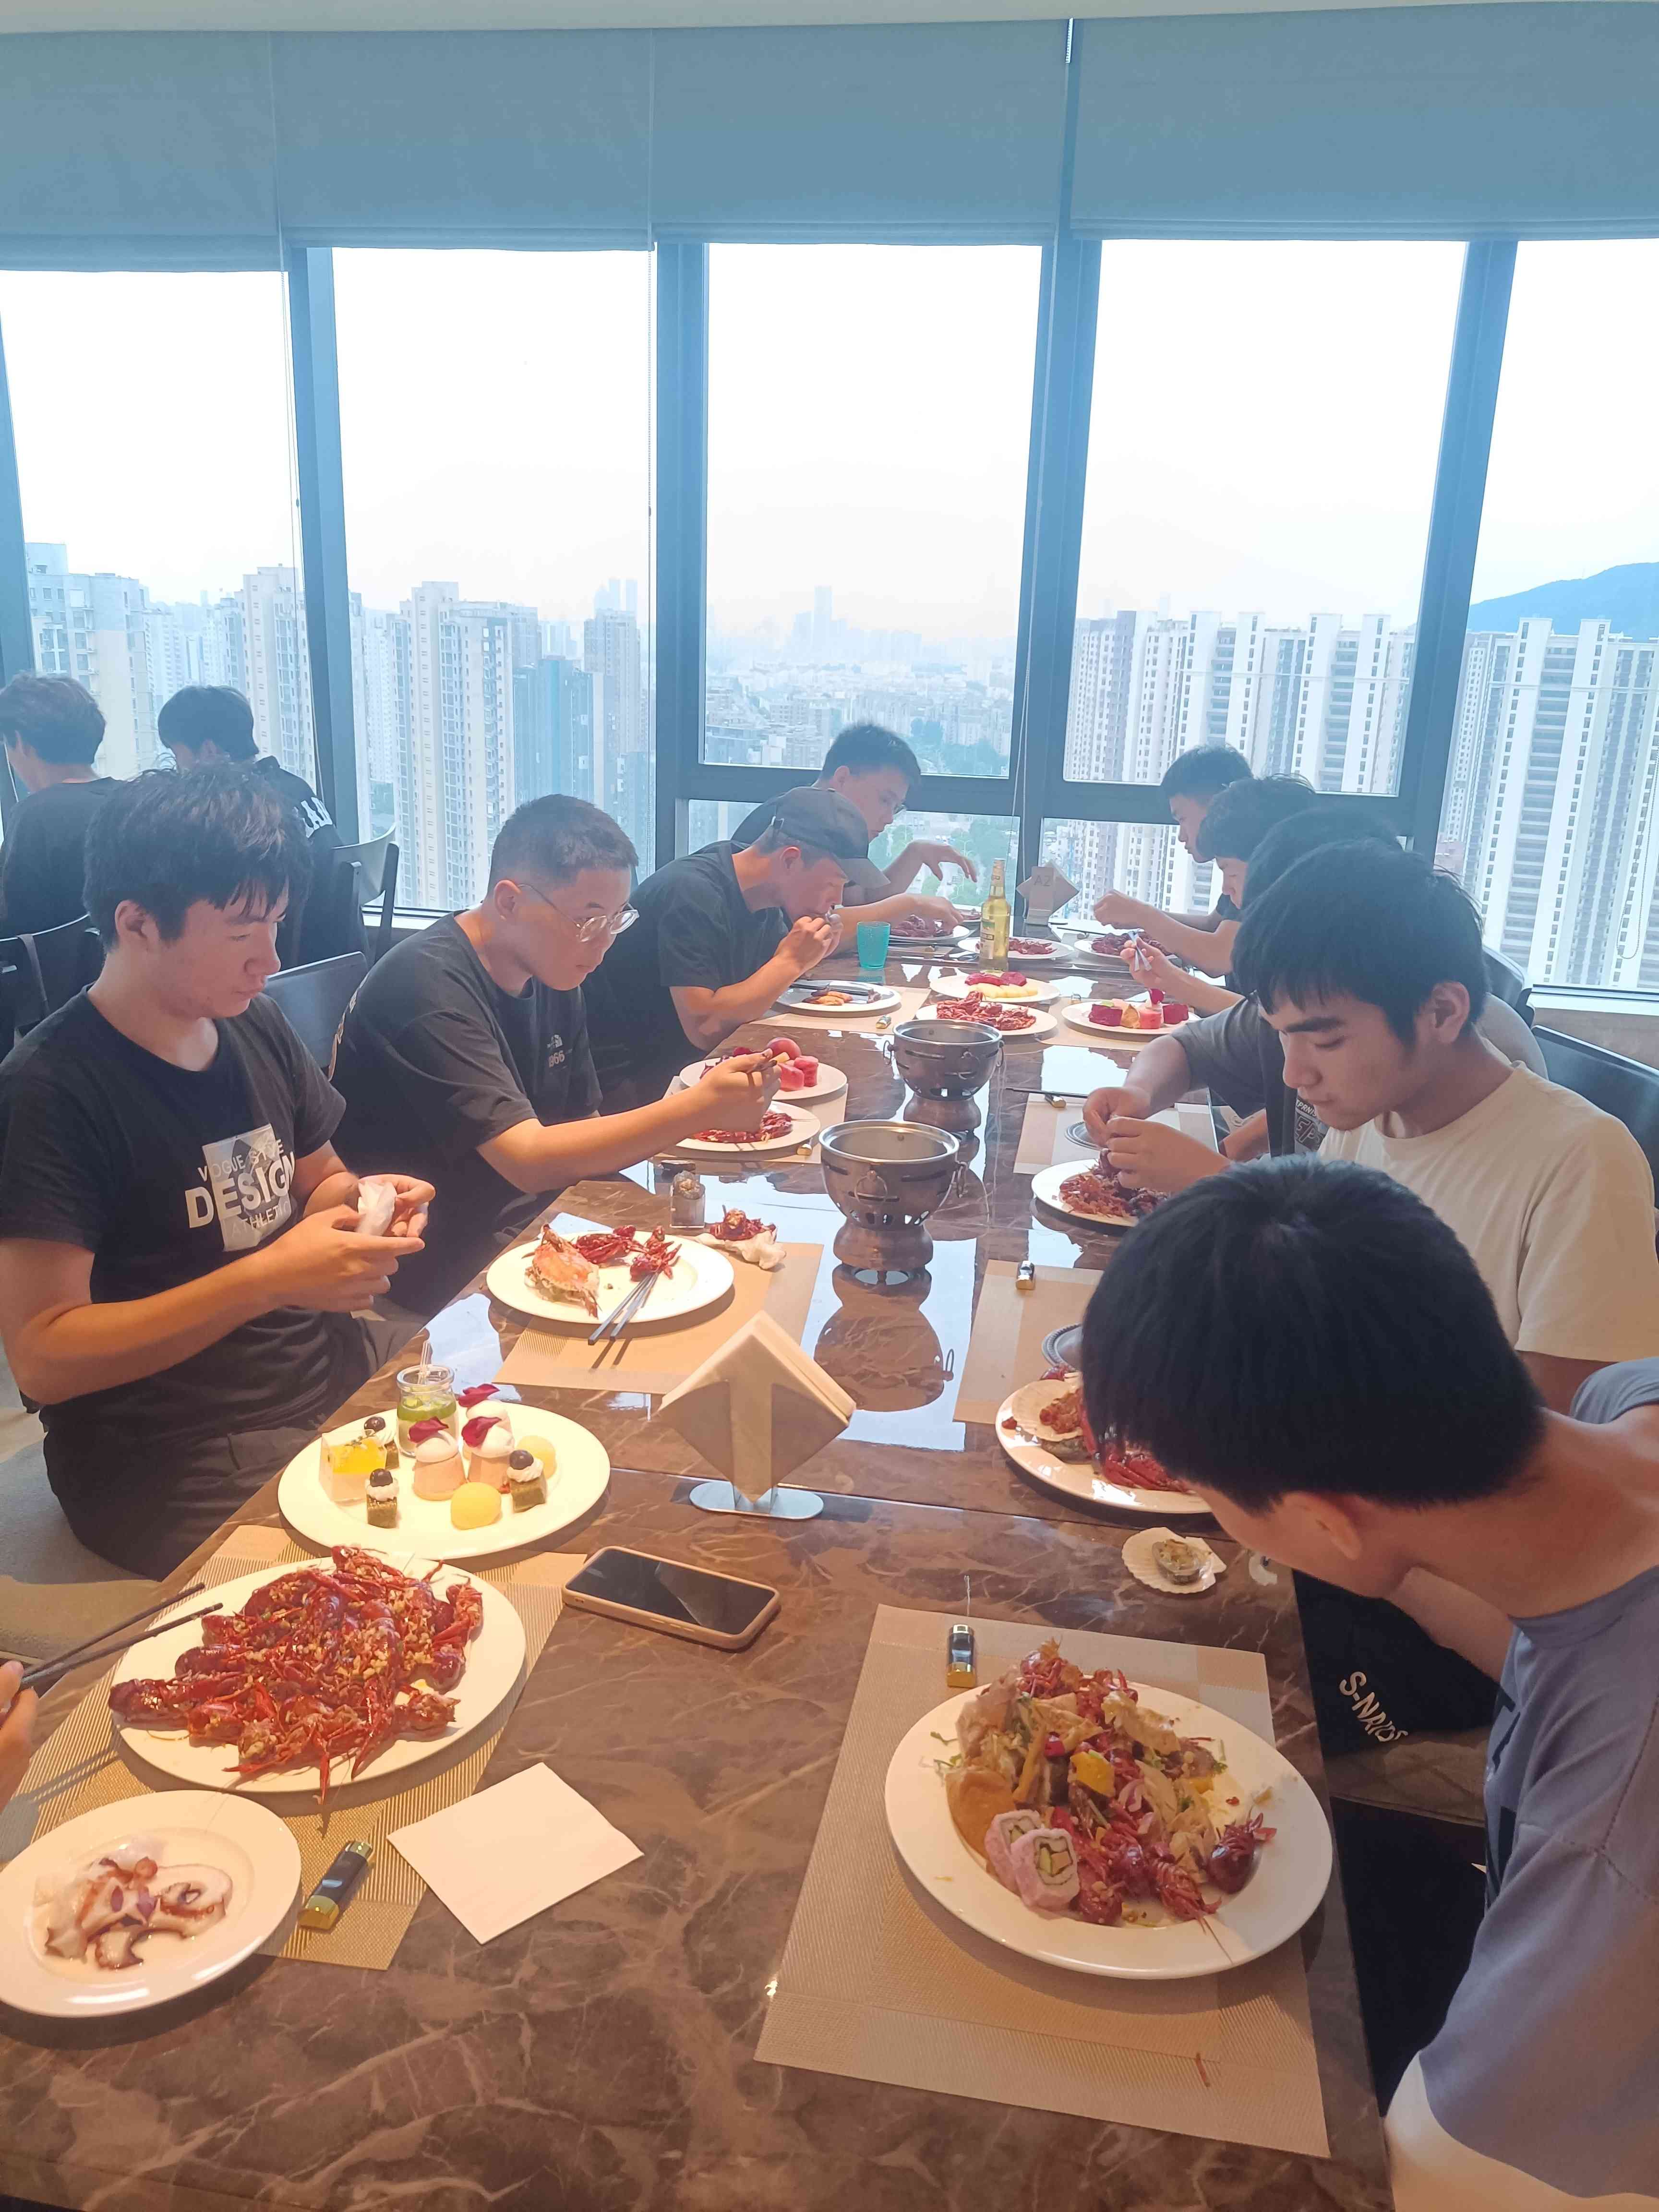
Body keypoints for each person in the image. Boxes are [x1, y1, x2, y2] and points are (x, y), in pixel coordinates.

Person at [1080, 1158, 1659, 2211]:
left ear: (1323, 1520)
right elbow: (1540, 1638)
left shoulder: (1611, 1822)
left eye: (1212, 1497)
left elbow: (1454, 2168)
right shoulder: (1628, 1400)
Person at [0, 767, 433, 1579]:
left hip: (320, 1366)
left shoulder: (250, 1021)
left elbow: (320, 1177)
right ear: (137, 923)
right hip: (170, 1448)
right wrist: (266, 1280)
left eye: (276, 923)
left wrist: (370, 1202)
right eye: (241, 933)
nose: (270, 958)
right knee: (401, 1581)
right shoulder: (51, 1091)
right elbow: (43, 1356)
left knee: (505, 1439)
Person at [1230, 838, 1659, 1412]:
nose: (1295, 1074)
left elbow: (1563, 1428)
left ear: (1442, 1012)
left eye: (1326, 1041)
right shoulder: (1367, 1116)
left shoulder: (1581, 1160)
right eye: (1283, 1035)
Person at [331, 794, 782, 1315]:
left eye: (617, 920)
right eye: (589, 922)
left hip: (530, 1224)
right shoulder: (425, 988)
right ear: (509, 901)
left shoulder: (554, 969)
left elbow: (583, 1123)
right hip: (435, 1264)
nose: (604, 944)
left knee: (732, 1270)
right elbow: (527, 1161)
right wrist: (699, 1108)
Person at [584, 786, 866, 1107]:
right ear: (790, 860)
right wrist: (790, 962)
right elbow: (705, 1027)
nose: (838, 899)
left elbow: (755, 992)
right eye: (833, 884)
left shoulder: (764, 896)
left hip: (695, 1065)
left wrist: (805, 956)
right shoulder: (693, 892)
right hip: (631, 1085)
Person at [727, 723, 968, 934]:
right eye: (885, 800)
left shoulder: (837, 827)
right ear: (842, 778)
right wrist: (909, 904)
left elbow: (859, 900)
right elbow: (806, 931)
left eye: (896, 807)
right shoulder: (791, 826)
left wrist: (916, 854)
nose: (889, 819)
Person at [1093, 745, 1253, 973]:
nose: (1181, 836)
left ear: (1217, 806)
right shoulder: (1243, 859)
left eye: (1183, 819)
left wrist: (1143, 914)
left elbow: (1218, 957)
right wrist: (1138, 916)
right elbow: (1212, 926)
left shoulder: (1256, 863)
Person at [0, 672, 119, 938]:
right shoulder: (137, 799)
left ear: (21, 742)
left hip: (64, 964)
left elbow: (17, 929)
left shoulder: (35, 817)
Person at [159, 685, 337, 852]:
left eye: (177, 755)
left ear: (209, 751)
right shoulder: (295, 787)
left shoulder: (238, 810)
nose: (177, 767)